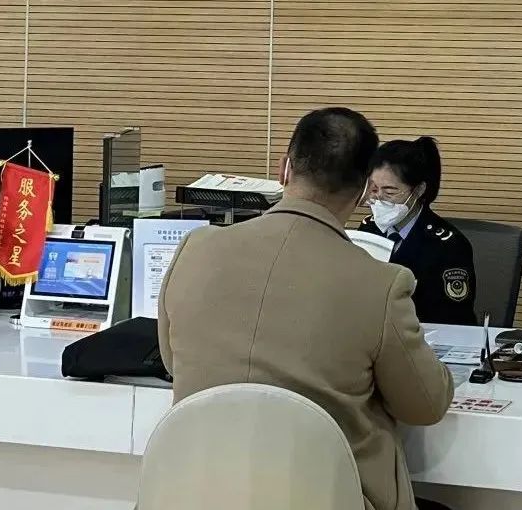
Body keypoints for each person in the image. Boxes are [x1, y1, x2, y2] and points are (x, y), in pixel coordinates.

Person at [159, 107, 454, 510]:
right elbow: (425, 405)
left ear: (284, 168)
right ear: (363, 190)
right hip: (330, 497)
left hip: (196, 493)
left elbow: (172, 361)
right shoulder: (380, 284)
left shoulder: (195, 249)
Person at [359, 136, 477, 326]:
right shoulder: (368, 228)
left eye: (389, 192)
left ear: (419, 190)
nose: (379, 198)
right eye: (373, 190)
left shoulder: (449, 246)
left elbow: (454, 317)